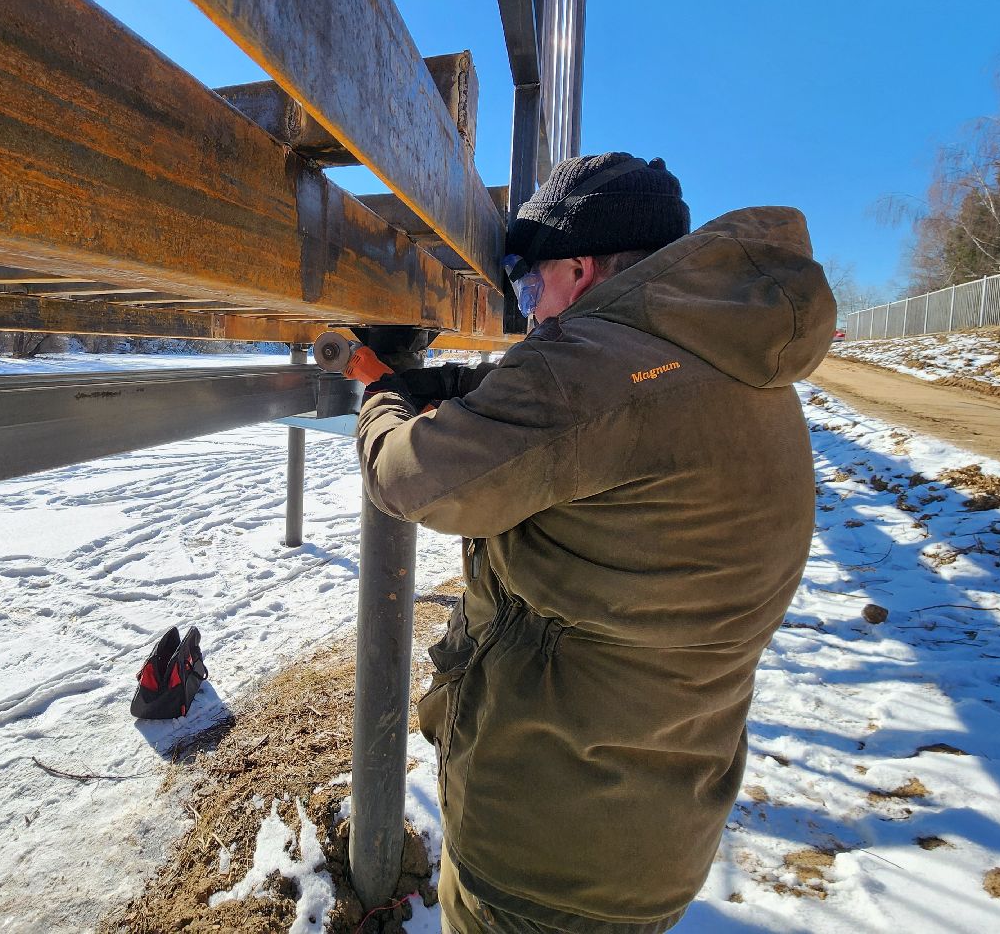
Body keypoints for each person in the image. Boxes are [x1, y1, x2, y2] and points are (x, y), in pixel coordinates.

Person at [354, 152, 836, 934]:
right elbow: (600, 414)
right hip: (647, 830)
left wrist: (381, 391)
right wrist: (455, 389)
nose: (528, 311)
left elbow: (415, 477)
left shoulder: (592, 375)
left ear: (579, 268)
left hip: (542, 853)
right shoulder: (731, 362)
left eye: (528, 285)